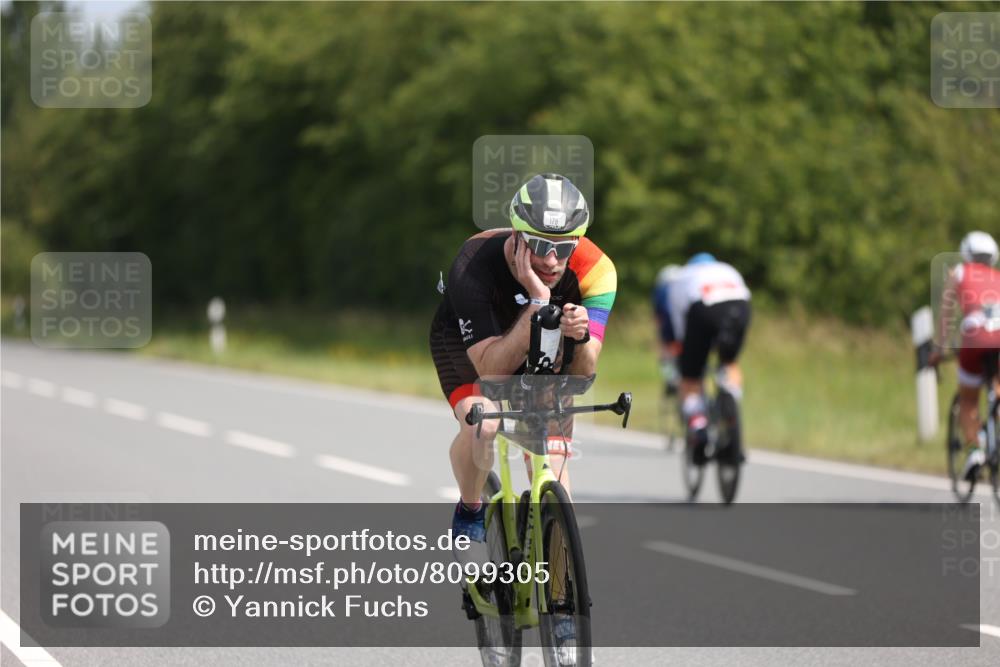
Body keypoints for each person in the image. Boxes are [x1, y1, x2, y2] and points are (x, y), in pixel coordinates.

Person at [429, 173, 617, 543]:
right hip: (472, 343)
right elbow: (491, 370)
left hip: (545, 338)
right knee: (482, 423)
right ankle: (470, 511)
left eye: (564, 248)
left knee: (553, 460)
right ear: (516, 236)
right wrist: (537, 300)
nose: (551, 260)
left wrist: (579, 339)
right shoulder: (473, 263)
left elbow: (582, 377)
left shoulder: (597, 271)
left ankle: (559, 566)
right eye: (539, 245)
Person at [667, 253, 752, 464]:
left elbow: (678, 323)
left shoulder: (682, 277)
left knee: (691, 379)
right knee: (729, 361)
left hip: (703, 306)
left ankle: (698, 426)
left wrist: (685, 354)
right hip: (740, 306)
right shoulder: (727, 268)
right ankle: (731, 410)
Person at [933, 231, 1000, 481]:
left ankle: (974, 450)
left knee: (968, 399)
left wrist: (938, 350)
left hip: (975, 337)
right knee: (997, 387)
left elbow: (946, 313)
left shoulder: (959, 273)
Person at [652, 264, 683, 395]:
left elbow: (658, 316)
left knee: (665, 351)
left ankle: (671, 379)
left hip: (668, 325)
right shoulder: (684, 284)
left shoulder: (661, 289)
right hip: (687, 324)